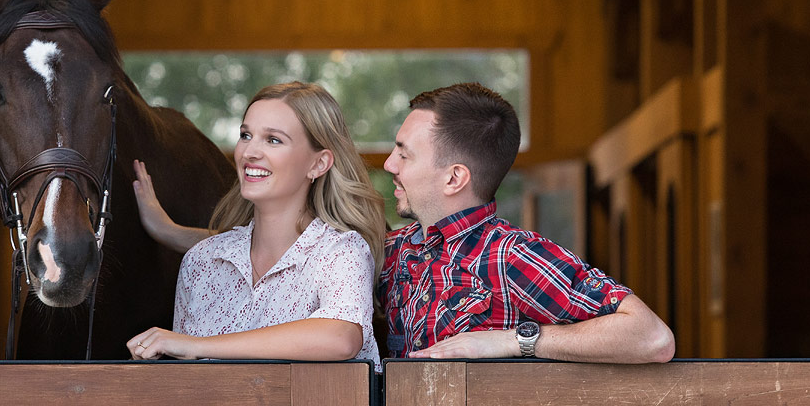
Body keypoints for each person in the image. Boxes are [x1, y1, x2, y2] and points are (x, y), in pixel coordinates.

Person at [380, 82, 674, 362]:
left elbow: (652, 338)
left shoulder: (512, 255)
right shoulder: (387, 252)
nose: (389, 164)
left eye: (404, 155)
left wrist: (511, 341)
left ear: (454, 178)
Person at [127, 82, 387, 363]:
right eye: (246, 135)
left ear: (318, 164)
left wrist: (198, 346)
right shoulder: (201, 261)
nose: (250, 152)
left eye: (273, 139)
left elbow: (340, 338)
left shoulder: (340, 252)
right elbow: (187, 386)